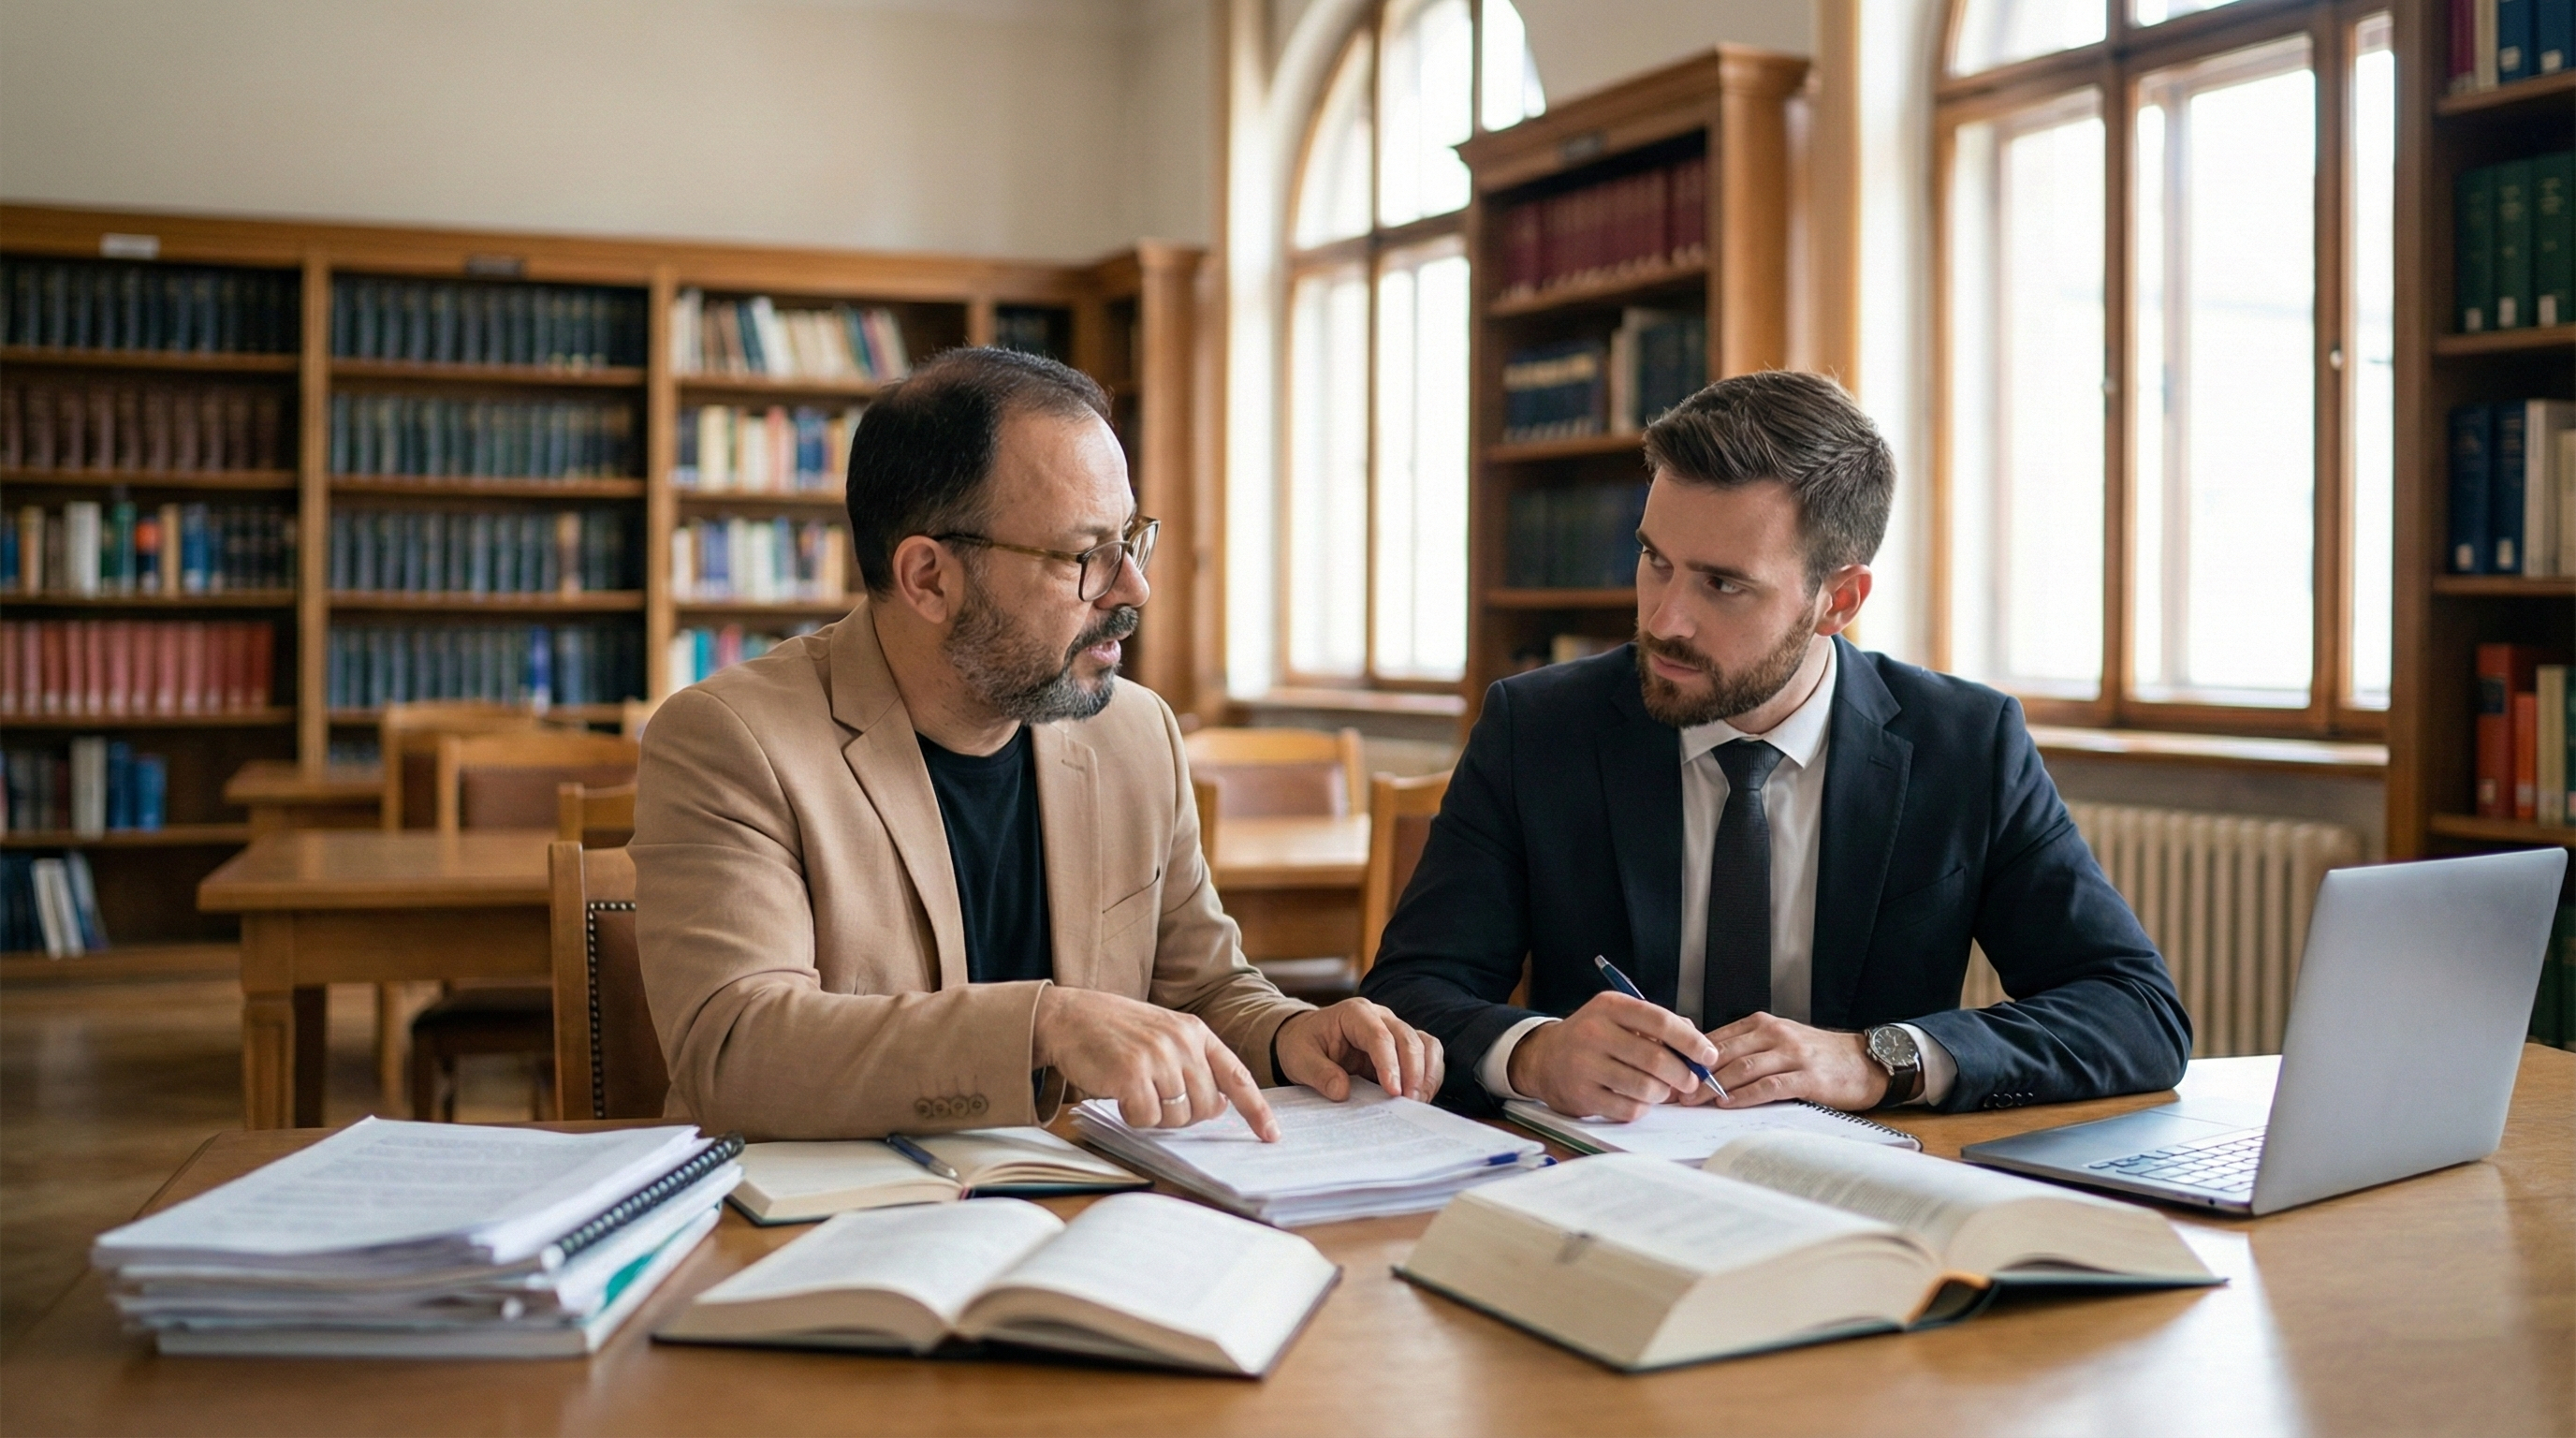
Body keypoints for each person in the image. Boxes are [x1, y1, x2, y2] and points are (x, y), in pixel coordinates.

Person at [635, 346, 1441, 1141]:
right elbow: (736, 1053)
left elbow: (1199, 992)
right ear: (928, 578)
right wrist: (1043, 1022)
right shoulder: (734, 740)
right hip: (834, 1232)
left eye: (1131, 539)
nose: (1133, 588)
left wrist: (1286, 1035)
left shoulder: (1136, 733)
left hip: (1087, 1211)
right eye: (1084, 555)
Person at [1360, 370, 2189, 1121]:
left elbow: (2136, 1010)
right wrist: (1535, 1054)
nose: (1662, 619)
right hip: (1598, 1191)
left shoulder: (1965, 745)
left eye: (1723, 584)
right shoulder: (1537, 730)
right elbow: (1409, 993)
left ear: (1839, 600)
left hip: (1865, 1199)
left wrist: (1877, 1058)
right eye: (1655, 561)